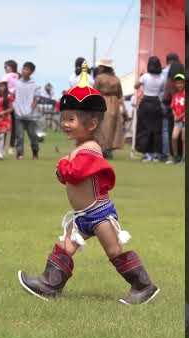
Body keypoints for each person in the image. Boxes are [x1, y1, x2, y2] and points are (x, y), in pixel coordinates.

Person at [18, 63, 160, 305]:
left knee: (114, 251)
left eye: (71, 119)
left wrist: (63, 165)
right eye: (64, 118)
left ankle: (143, 285)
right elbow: (68, 174)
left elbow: (74, 173)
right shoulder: (78, 148)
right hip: (81, 215)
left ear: (91, 124)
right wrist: (64, 167)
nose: (65, 123)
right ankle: (49, 284)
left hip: (99, 214)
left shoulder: (91, 149)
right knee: (65, 246)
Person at [135, 56, 166, 162]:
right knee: (156, 129)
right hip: (156, 103)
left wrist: (141, 76)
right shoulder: (162, 78)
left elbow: (136, 86)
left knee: (144, 128)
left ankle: (147, 154)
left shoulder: (145, 76)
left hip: (146, 102)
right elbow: (162, 91)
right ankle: (156, 154)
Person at [94, 58, 126, 159]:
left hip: (102, 101)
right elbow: (120, 94)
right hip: (115, 103)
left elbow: (94, 92)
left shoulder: (99, 78)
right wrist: (123, 107)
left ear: (103, 67)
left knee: (102, 127)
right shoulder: (116, 79)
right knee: (112, 128)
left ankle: (102, 149)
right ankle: (108, 149)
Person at [14, 61, 40, 160]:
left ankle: (35, 153)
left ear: (31, 72)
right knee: (19, 136)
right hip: (18, 114)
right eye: (23, 69)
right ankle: (20, 154)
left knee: (33, 136)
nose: (24, 71)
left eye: (27, 69)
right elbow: (13, 96)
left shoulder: (34, 84)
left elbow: (36, 99)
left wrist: (32, 107)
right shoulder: (17, 83)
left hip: (30, 115)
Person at [4, 59, 19, 153]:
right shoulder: (19, 76)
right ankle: (11, 147)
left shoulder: (6, 76)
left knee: (3, 124)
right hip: (16, 103)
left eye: (6, 67)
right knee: (14, 126)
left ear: (11, 67)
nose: (5, 68)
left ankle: (2, 145)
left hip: (7, 102)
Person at [171, 73, 186, 163]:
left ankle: (184, 158)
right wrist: (175, 116)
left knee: (184, 139)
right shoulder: (175, 95)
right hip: (177, 121)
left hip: (184, 120)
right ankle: (176, 156)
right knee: (174, 137)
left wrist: (180, 117)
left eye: (181, 83)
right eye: (177, 83)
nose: (179, 85)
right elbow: (172, 107)